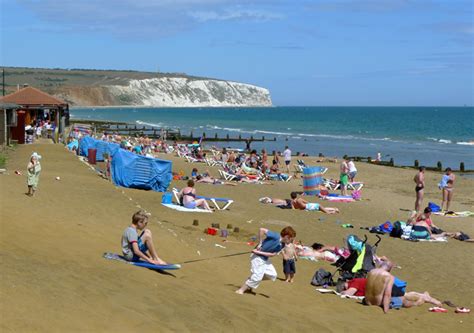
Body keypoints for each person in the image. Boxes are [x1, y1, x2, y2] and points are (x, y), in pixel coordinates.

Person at [236, 227, 296, 294]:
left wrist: (259, 252)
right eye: (291, 239)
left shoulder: (282, 245)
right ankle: (240, 290)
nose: (291, 241)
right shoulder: (276, 236)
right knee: (257, 276)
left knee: (272, 275)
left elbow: (272, 254)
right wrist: (260, 243)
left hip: (264, 258)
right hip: (257, 257)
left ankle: (251, 280)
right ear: (287, 236)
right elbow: (261, 230)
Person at [364, 263, 442, 313]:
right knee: (403, 300)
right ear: (389, 269)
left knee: (402, 295)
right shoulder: (389, 276)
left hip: (367, 302)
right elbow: (387, 295)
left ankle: (423, 296)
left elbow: (368, 288)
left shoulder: (371, 272)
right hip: (378, 303)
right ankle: (418, 302)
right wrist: (386, 310)